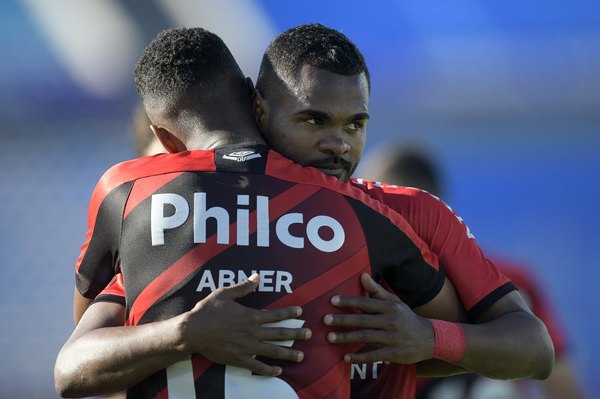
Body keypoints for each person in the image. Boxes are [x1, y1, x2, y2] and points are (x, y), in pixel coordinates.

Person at [62, 23, 554, 398]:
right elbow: (84, 367)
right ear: (258, 109)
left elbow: (533, 349)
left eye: (356, 123)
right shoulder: (178, 230)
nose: (339, 143)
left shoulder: (411, 214)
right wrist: (186, 336)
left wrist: (428, 338)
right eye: (313, 120)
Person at [360, 143, 584, 399]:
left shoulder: (373, 286)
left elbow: (548, 363)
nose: (363, 215)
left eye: (371, 204)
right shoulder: (511, 279)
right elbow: (563, 385)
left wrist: (432, 338)